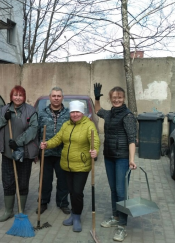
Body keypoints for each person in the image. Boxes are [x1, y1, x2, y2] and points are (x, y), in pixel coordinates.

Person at [40, 100, 99, 232]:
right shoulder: (66, 125)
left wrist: (95, 151)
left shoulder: (88, 125)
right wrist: (47, 144)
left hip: (82, 165)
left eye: (77, 112)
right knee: (71, 191)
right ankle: (73, 214)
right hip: (66, 165)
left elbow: (95, 140)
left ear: (82, 113)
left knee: (77, 192)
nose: (75, 114)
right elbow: (58, 138)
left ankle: (77, 217)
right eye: (72, 112)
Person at [94, 83, 137, 242]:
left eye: (119, 98)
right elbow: (98, 111)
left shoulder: (128, 116)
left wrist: (131, 160)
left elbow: (132, 139)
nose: (117, 100)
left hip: (123, 158)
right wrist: (97, 97)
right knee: (113, 190)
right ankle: (115, 216)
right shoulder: (110, 113)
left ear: (123, 98)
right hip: (109, 156)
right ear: (111, 99)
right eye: (114, 98)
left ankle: (123, 226)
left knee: (121, 191)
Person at [0, 85, 39, 222]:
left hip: (24, 152)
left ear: (24, 97)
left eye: (20, 95)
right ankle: (8, 211)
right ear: (11, 96)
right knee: (8, 182)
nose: (18, 98)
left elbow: (33, 129)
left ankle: (20, 210)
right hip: (7, 153)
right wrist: (3, 119)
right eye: (15, 95)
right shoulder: (4, 110)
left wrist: (18, 142)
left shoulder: (30, 111)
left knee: (23, 182)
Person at [36, 87, 70, 215]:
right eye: (54, 96)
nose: (56, 98)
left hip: (62, 153)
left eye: (59, 96)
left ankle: (62, 203)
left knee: (63, 180)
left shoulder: (68, 114)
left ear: (62, 98)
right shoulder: (42, 113)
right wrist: (37, 149)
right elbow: (36, 132)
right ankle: (43, 202)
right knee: (45, 180)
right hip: (46, 153)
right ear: (50, 97)